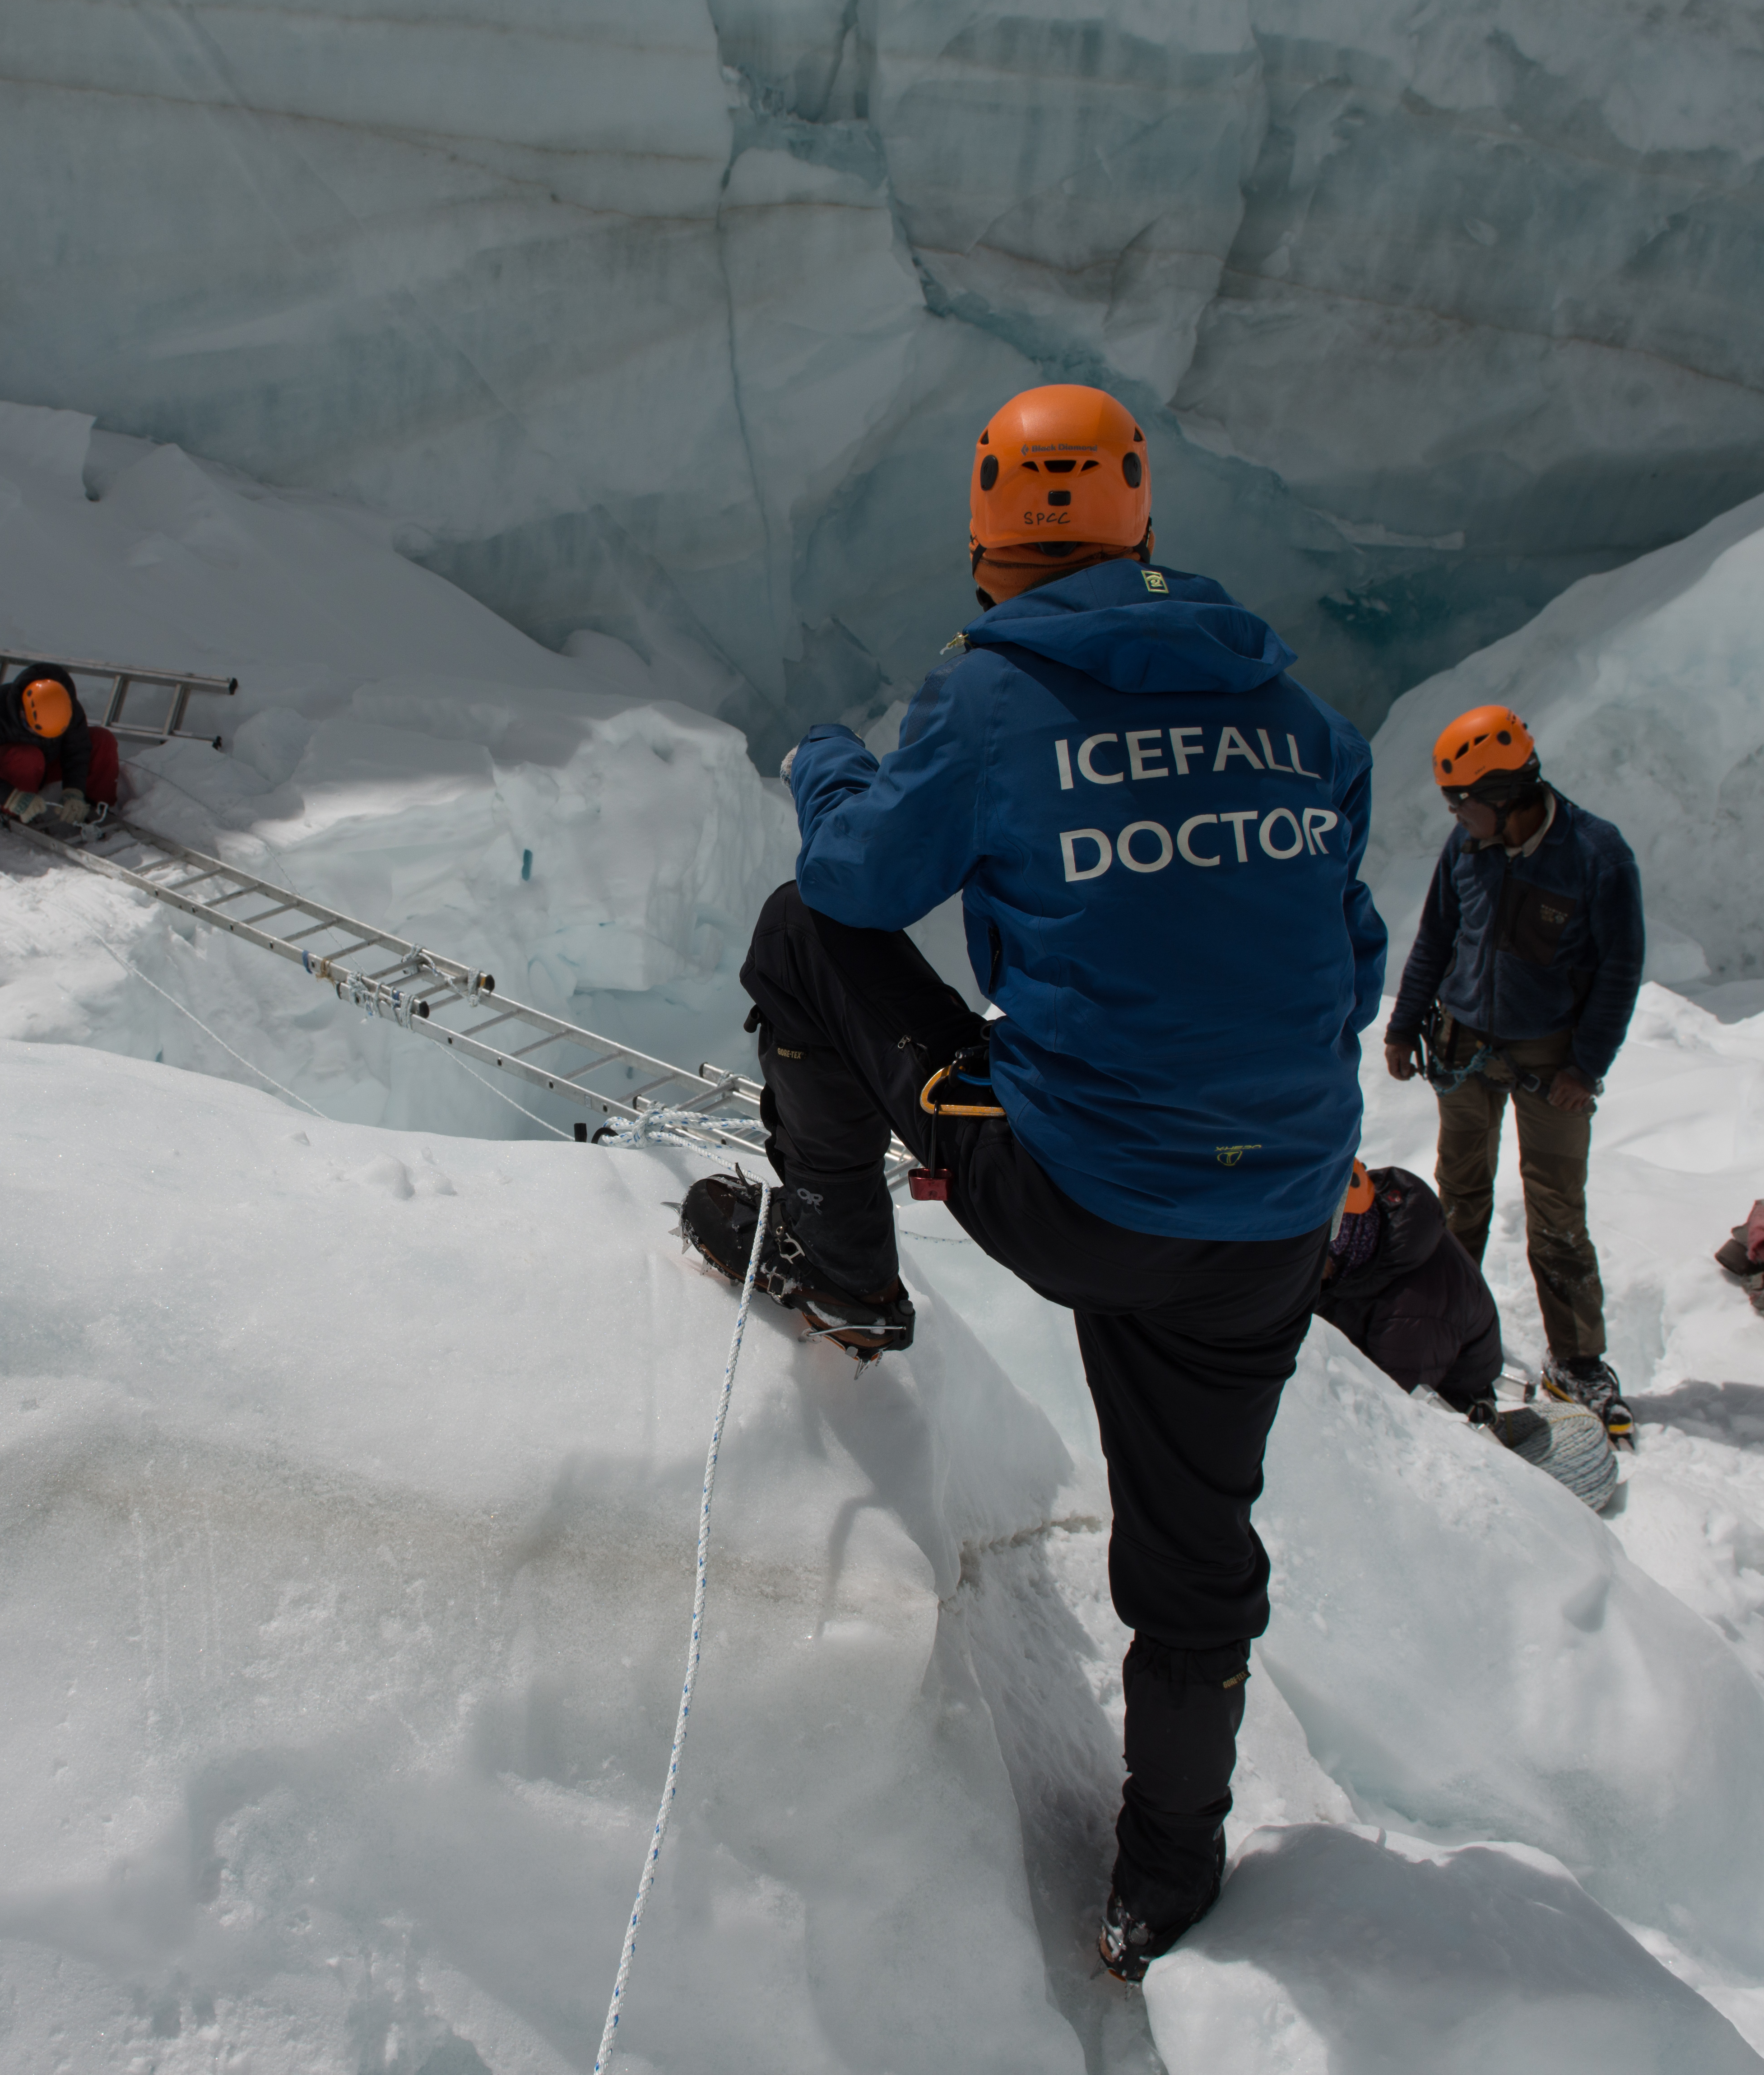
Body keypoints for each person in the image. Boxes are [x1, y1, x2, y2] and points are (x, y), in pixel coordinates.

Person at [676, 381, 1385, 1981]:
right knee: (1200, 1550)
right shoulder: (1295, 716)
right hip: (1274, 1213)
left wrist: (825, 762)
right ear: (1144, 515)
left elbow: (862, 880)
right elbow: (1347, 960)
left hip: (1078, 1190)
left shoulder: (993, 698)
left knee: (808, 937)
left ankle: (845, 1265)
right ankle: (1165, 1885)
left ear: (992, 535)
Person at [1380, 705, 1643, 1440]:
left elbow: (1621, 969)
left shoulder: (1597, 855)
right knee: (1459, 1201)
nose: (1456, 815)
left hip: (1551, 1058)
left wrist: (1586, 1067)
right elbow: (1437, 935)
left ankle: (1579, 1359)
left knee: (1557, 1209)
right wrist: (1406, 1025)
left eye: (1462, 801)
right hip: (1464, 1046)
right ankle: (1453, 1342)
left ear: (1504, 796)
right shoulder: (1468, 849)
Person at [1317, 1160, 1501, 1418]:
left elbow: (1389, 1409)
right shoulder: (1364, 1242)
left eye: (1309, 1250)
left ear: (1341, 1242)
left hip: (1444, 1407)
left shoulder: (1413, 1310)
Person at [0, 662, 121, 830]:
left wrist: (74, 790)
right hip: (11, 769)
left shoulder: (67, 706)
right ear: (23, 712)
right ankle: (17, 813)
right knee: (28, 756)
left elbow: (77, 751)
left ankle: (97, 807)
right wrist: (12, 797)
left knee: (102, 740)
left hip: (46, 763)